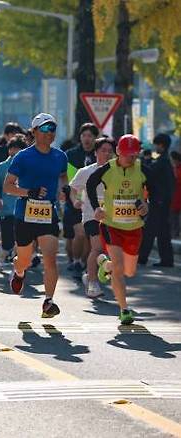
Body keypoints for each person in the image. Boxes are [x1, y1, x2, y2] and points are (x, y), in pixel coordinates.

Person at [3, 113, 67, 318]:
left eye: (53, 129)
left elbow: (64, 178)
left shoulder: (60, 156)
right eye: (45, 129)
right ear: (34, 131)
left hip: (48, 214)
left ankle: (48, 302)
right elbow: (7, 186)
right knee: (25, 260)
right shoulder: (23, 156)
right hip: (25, 214)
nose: (50, 133)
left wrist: (64, 192)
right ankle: (19, 272)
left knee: (50, 258)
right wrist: (29, 192)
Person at [86, 134, 152, 325]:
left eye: (134, 155)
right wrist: (96, 207)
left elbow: (155, 190)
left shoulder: (142, 169)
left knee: (129, 271)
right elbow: (91, 184)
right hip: (111, 225)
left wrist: (147, 206)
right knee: (120, 267)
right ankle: (124, 310)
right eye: (127, 155)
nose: (131, 159)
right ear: (118, 153)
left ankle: (105, 265)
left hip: (134, 227)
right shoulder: (108, 169)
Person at [69, 136, 115, 298]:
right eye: (103, 150)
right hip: (91, 216)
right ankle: (93, 285)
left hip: (112, 218)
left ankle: (89, 276)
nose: (107, 154)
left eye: (110, 151)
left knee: (110, 251)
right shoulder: (86, 171)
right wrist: (76, 201)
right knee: (97, 248)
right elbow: (73, 189)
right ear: (95, 152)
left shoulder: (117, 172)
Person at [63, 123, 98, 275]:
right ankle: (75, 261)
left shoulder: (100, 153)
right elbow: (66, 178)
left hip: (93, 202)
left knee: (89, 237)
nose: (87, 139)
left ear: (95, 138)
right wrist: (67, 195)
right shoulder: (71, 154)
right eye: (84, 135)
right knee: (77, 234)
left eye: (90, 135)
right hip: (74, 199)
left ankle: (84, 263)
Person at [138, 133, 175, 267]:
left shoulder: (163, 161)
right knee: (162, 232)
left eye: (156, 144)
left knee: (149, 230)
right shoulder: (164, 160)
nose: (155, 147)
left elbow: (150, 173)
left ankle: (142, 257)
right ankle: (167, 260)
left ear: (161, 145)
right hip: (163, 202)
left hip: (159, 202)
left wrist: (140, 163)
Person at [0, 135, 27, 268]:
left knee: (22, 239)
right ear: (9, 150)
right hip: (6, 209)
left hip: (23, 210)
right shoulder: (2, 167)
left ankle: (18, 263)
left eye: (20, 149)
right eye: (14, 149)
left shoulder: (27, 167)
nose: (16, 152)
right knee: (7, 240)